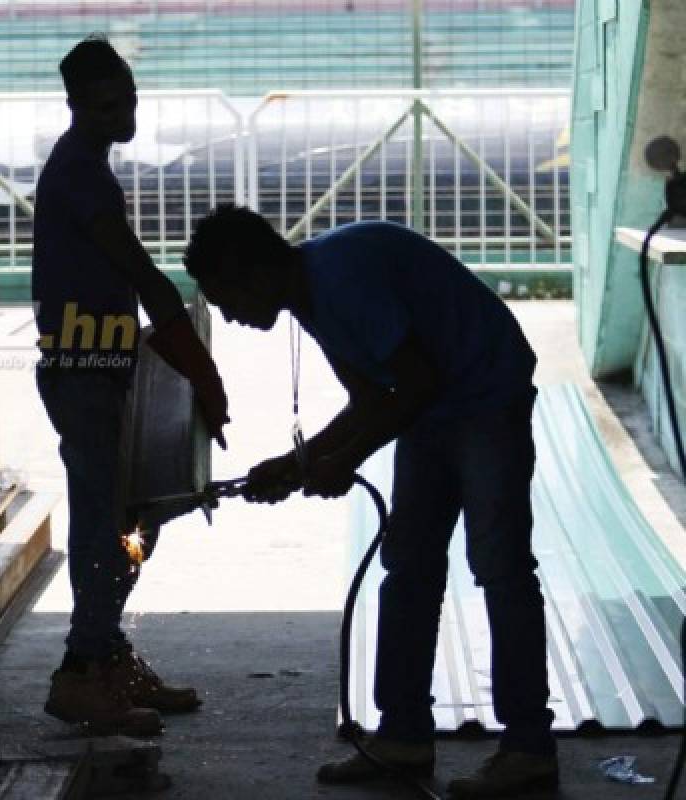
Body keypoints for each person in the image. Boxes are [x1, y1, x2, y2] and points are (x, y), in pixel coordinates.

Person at [182, 206, 557, 798]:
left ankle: (529, 747)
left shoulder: (340, 277)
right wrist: (299, 463)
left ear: (249, 273)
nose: (228, 316)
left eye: (224, 298)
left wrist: (344, 461)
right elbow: (368, 399)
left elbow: (415, 382)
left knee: (500, 565)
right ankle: (404, 735)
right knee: (408, 566)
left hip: (487, 397)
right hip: (437, 409)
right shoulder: (309, 297)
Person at [32, 36, 230, 736]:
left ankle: (106, 657)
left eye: (130, 98)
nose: (125, 114)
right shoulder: (81, 177)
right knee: (108, 524)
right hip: (84, 372)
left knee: (126, 518)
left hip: (99, 366)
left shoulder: (84, 169)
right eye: (108, 104)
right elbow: (144, 277)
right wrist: (202, 375)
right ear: (77, 105)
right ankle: (83, 673)